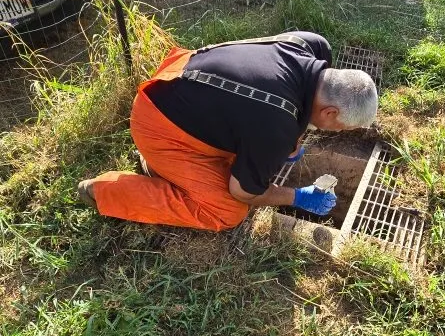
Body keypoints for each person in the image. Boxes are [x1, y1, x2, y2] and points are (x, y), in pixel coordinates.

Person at [78, 32, 378, 231]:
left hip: (182, 76)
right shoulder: (276, 126)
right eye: (341, 127)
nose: (337, 132)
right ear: (329, 112)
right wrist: (296, 197)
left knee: (246, 154)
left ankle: (168, 167)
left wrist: (291, 141)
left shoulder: (312, 45)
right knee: (226, 211)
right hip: (157, 123)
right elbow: (244, 192)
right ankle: (105, 190)